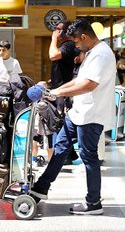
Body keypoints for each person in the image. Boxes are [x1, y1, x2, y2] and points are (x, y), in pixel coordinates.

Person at [30, 18, 116, 215]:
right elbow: (79, 79)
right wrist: (56, 90)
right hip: (79, 112)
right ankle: (41, 188)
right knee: (60, 147)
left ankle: (94, 203)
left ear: (84, 37)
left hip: (91, 114)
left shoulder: (102, 54)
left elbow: (89, 85)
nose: (76, 46)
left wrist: (60, 93)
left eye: (76, 42)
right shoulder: (93, 52)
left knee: (88, 156)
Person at [49, 20, 80, 164]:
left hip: (64, 91)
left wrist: (53, 38)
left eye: (59, 29)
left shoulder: (68, 45)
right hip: (61, 88)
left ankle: (66, 156)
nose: (56, 31)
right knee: (61, 122)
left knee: (61, 122)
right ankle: (70, 154)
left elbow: (53, 55)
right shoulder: (67, 46)